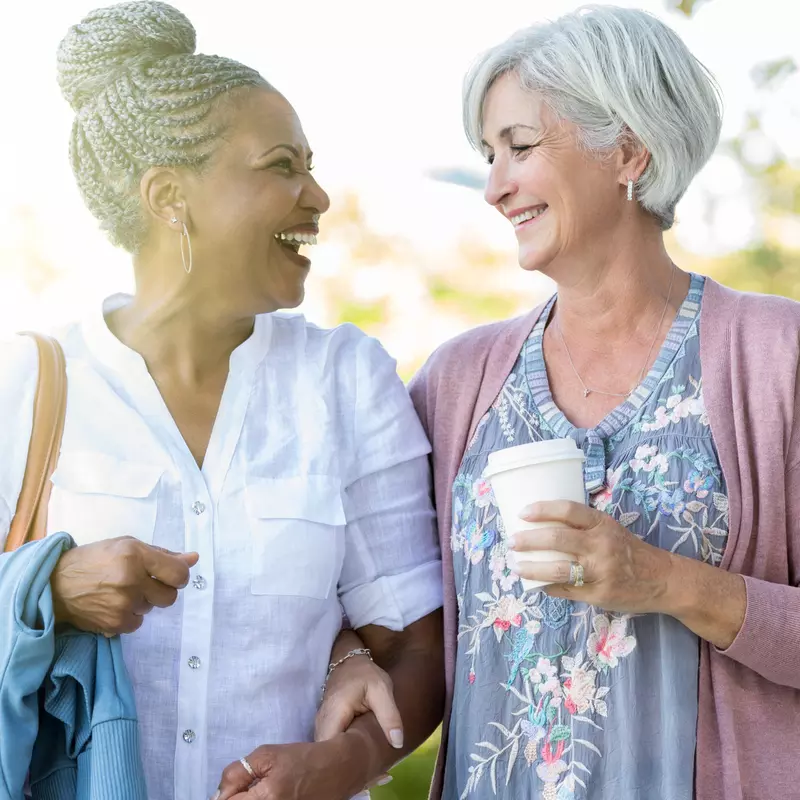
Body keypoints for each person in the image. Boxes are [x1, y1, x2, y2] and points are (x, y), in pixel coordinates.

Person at [0, 3, 444, 799]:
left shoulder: (345, 380)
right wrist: (51, 591)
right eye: (280, 166)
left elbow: (415, 644)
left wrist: (343, 764)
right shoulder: (26, 385)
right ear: (170, 195)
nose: (318, 195)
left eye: (310, 164)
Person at [409, 7, 800, 800]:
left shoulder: (778, 357)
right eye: (488, 156)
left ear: (626, 150)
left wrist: (663, 581)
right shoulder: (453, 383)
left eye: (519, 147)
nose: (493, 187)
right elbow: (393, 615)